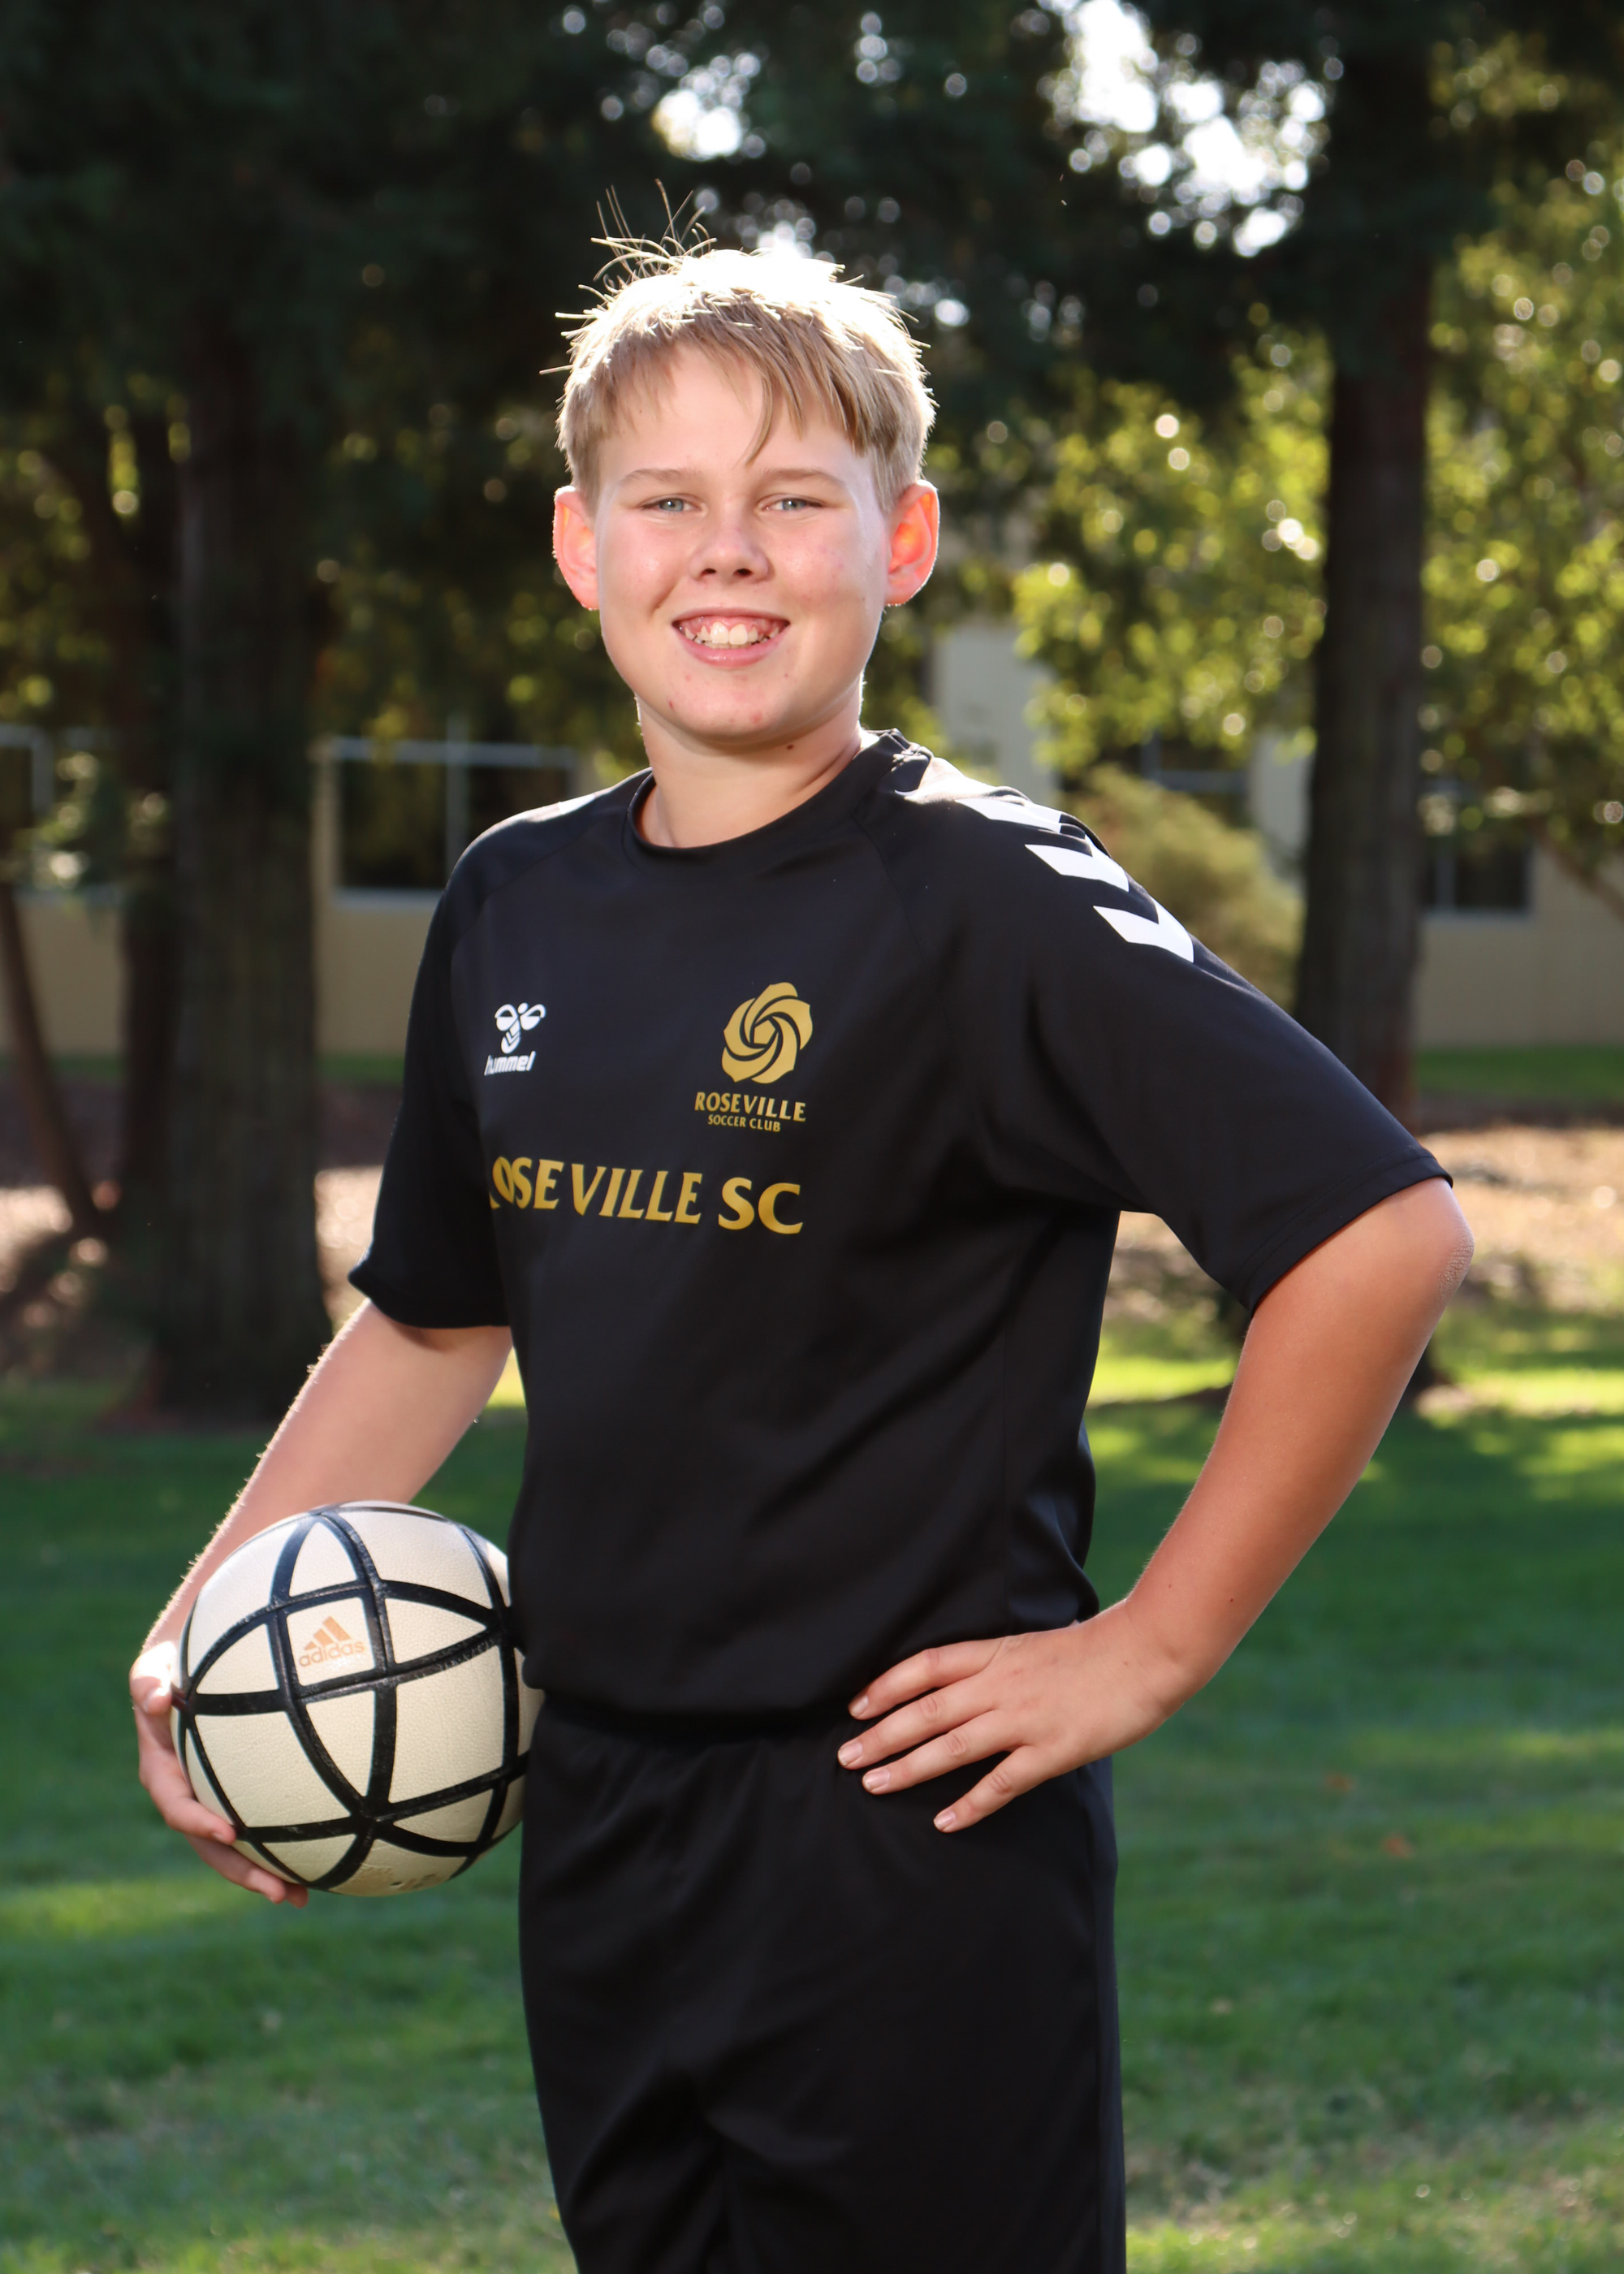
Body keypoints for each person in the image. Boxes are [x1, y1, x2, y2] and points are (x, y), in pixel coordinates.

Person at [131, 244, 1473, 2274]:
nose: (725, 552)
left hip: (905, 1833)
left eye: (791, 498)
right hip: (593, 1804)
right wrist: (206, 1619)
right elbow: (434, 1315)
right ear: (582, 548)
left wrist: (1152, 1642)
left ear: (901, 541)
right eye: (665, 499)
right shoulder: (514, 901)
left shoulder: (983, 899)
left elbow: (1377, 1231)